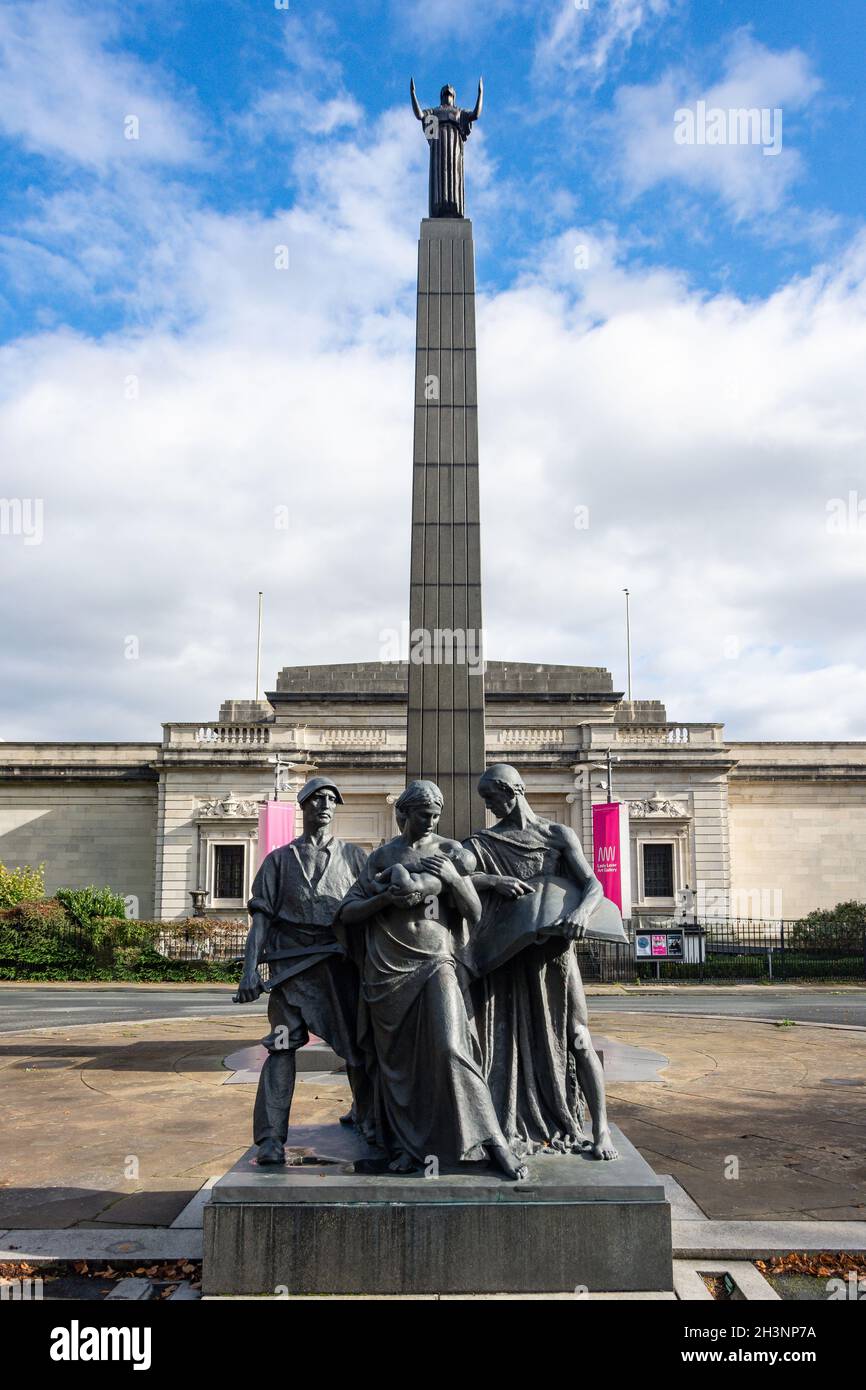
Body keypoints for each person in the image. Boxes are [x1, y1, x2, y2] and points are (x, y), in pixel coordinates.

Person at [336, 780, 527, 1181]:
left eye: (437, 814)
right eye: (424, 813)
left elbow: (475, 913)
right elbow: (349, 911)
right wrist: (385, 899)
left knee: (451, 1046)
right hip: (385, 969)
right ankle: (409, 1146)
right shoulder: (381, 857)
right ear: (402, 814)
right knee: (398, 1065)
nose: (432, 821)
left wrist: (456, 881)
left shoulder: (450, 851)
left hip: (437, 961)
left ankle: (491, 1142)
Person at [464, 764, 619, 1161]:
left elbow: (593, 884)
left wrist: (582, 913)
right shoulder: (485, 842)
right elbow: (458, 875)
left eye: (492, 798)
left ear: (512, 791)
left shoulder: (557, 835)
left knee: (579, 1036)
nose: (490, 807)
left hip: (556, 956)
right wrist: (493, 881)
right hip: (509, 956)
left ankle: (600, 1129)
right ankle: (504, 1118)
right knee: (506, 1041)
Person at [234, 776, 372, 1165]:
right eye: (317, 799)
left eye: (331, 799)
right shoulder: (278, 861)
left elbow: (372, 916)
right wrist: (249, 971)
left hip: (339, 969)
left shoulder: (355, 858)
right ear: (304, 806)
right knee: (280, 1048)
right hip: (290, 971)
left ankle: (369, 1118)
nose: (325, 805)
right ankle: (270, 1139)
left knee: (358, 1051)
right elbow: (260, 922)